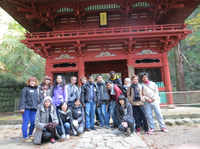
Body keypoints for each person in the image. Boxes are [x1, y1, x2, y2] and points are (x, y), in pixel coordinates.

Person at [19, 76, 43, 143]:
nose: (32, 82)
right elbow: (22, 98)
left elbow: (40, 99)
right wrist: (22, 107)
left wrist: (41, 106)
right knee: (26, 122)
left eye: (34, 81)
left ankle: (30, 134)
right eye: (31, 81)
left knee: (33, 122)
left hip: (34, 108)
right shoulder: (25, 89)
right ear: (29, 82)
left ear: (36, 82)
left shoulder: (37, 89)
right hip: (26, 108)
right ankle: (25, 137)